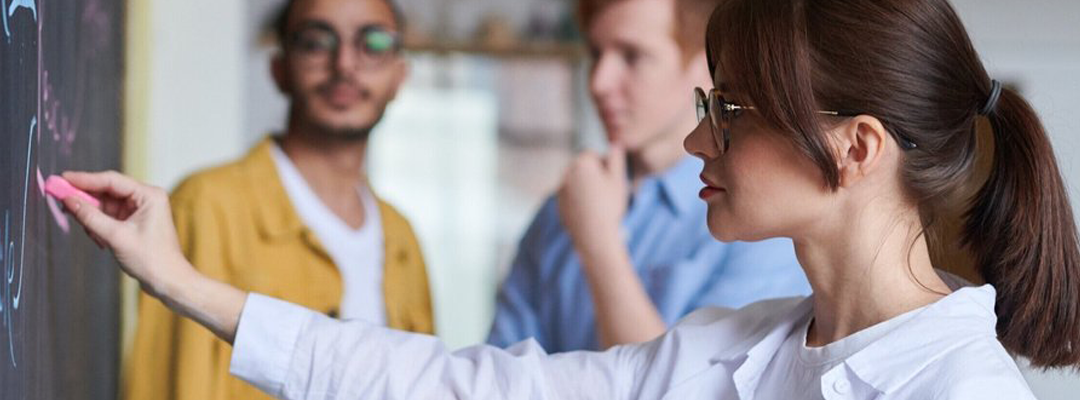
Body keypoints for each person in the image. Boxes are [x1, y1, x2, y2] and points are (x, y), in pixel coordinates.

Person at [67, 0, 1079, 398]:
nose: (693, 139)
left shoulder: (968, 393)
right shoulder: (734, 345)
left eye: (727, 110)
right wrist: (186, 283)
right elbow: (464, 383)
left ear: (855, 147)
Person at [122, 1, 434, 399]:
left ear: (399, 76)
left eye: (372, 43)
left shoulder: (402, 239)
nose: (345, 65)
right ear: (279, 68)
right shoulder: (207, 206)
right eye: (316, 41)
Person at [488, 0, 809, 352]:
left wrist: (600, 244)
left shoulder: (758, 222)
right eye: (596, 53)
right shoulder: (559, 212)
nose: (598, 82)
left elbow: (707, 388)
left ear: (706, 65)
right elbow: (501, 374)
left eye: (632, 56)